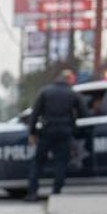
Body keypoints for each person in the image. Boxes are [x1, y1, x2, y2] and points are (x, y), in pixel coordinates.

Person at [26, 68, 86, 199]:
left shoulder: (45, 92)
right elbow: (83, 113)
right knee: (61, 162)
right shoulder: (73, 94)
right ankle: (56, 191)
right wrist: (73, 124)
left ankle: (32, 192)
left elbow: (35, 114)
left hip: (47, 131)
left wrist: (32, 133)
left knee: (38, 162)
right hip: (65, 132)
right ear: (69, 79)